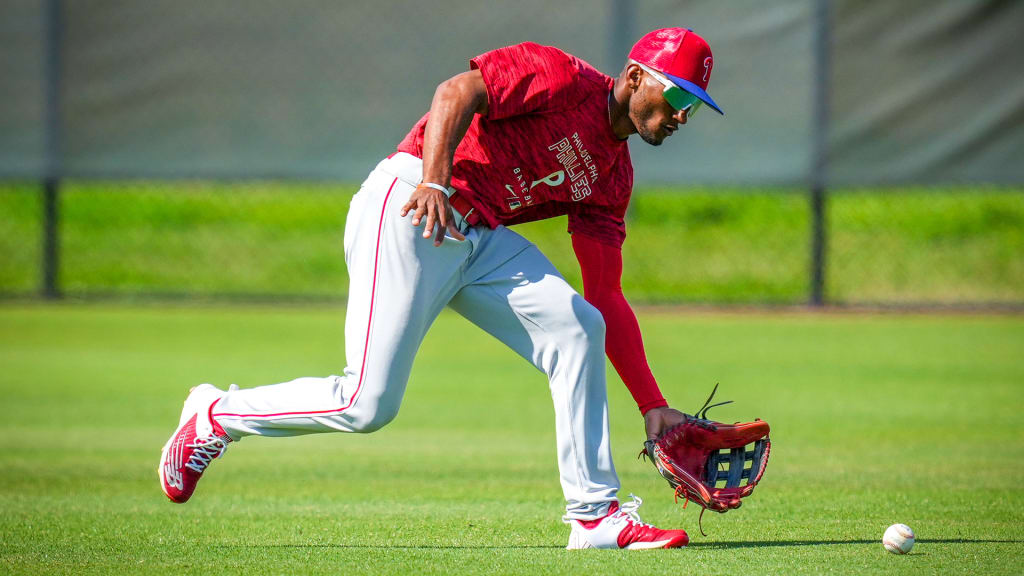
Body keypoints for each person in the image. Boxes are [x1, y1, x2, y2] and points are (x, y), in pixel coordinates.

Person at [159, 27, 723, 550]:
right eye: (677, 96)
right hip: (411, 202)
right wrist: (433, 180)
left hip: (479, 237)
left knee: (578, 326)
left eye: (693, 106)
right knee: (366, 404)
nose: (682, 115)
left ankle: (594, 515)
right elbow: (455, 92)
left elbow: (606, 296)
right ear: (634, 77)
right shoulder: (563, 77)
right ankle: (217, 415)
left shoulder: (614, 176)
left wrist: (653, 406)